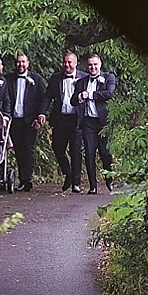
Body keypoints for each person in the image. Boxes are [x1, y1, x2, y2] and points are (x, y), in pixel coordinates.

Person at [47, 51, 87, 191]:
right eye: (65, 62)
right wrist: (41, 113)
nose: (67, 65)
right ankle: (68, 173)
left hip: (77, 119)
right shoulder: (55, 78)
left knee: (76, 151)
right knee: (57, 148)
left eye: (70, 62)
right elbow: (47, 97)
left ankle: (76, 183)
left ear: (76, 63)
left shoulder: (84, 78)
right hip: (61, 118)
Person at [6, 52, 45, 192]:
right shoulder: (8, 79)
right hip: (13, 121)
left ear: (28, 63)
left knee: (28, 149)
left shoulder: (37, 79)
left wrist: (40, 117)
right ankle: (20, 179)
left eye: (23, 62)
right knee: (18, 150)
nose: (20, 64)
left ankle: (26, 180)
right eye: (18, 62)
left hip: (30, 121)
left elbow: (43, 100)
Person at [77, 53, 114, 194]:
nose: (92, 67)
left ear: (100, 65)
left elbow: (109, 93)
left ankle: (109, 179)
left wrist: (91, 95)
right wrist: (81, 96)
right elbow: (74, 100)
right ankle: (93, 186)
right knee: (89, 153)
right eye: (90, 65)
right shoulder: (82, 81)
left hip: (103, 123)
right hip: (88, 122)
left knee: (105, 153)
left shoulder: (108, 78)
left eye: (95, 65)